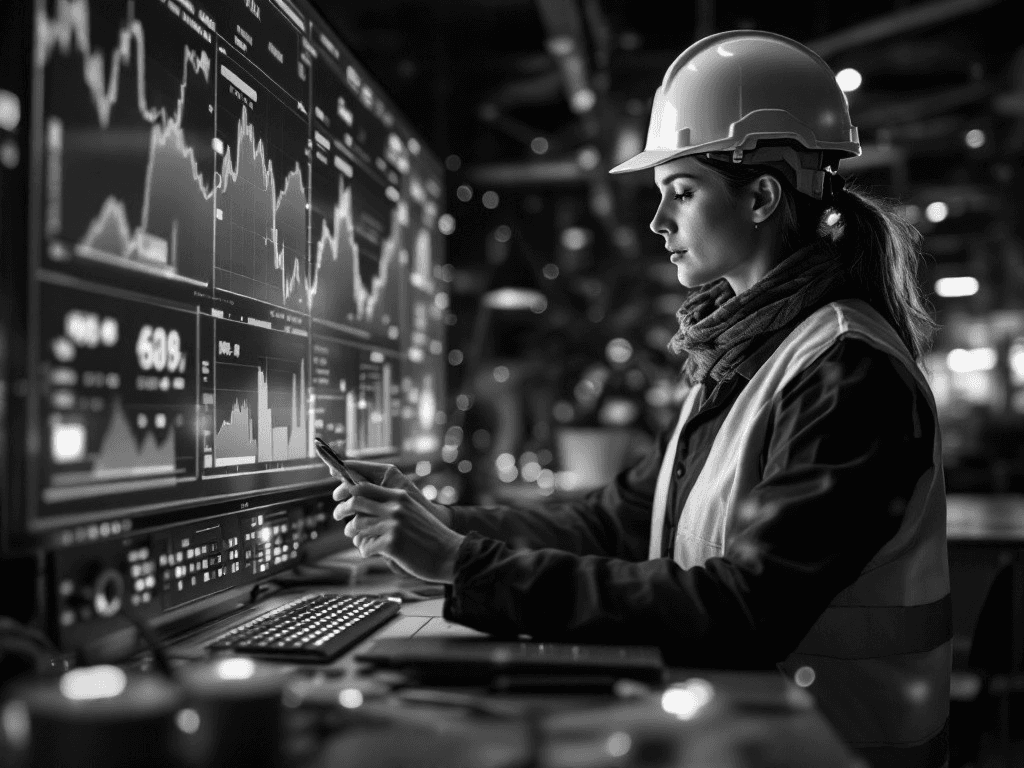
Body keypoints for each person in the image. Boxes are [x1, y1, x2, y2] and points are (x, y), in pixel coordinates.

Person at [330, 30, 950, 768]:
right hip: (746, 733)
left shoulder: (848, 372)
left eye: (680, 193)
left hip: (836, 748)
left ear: (761, 196)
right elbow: (616, 522)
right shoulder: (744, 357)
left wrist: (467, 565)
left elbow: (742, 607)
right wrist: (443, 525)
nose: (657, 223)